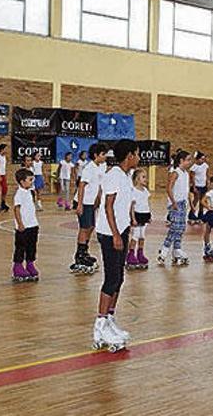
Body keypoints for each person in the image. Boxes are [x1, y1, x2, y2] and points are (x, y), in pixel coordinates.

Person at [91, 140, 139, 353]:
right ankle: (99, 325)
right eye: (137, 154)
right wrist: (116, 235)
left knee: (119, 278)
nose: (139, 158)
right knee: (111, 279)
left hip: (122, 230)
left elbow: (123, 204)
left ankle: (110, 319)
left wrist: (129, 221)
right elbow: (107, 206)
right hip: (110, 234)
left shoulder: (126, 176)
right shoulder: (113, 176)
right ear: (129, 155)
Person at [71, 143, 107, 274]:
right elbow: (81, 186)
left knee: (91, 226)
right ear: (96, 155)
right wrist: (80, 204)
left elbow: (99, 185)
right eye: (103, 154)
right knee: (84, 227)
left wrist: (98, 200)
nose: (105, 156)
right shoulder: (89, 168)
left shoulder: (102, 167)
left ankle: (85, 250)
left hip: (92, 203)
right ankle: (79, 255)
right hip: (84, 202)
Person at [159, 150, 193, 266]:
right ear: (181, 161)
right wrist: (173, 202)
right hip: (176, 203)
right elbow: (168, 188)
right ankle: (164, 250)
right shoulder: (175, 172)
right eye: (188, 160)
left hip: (183, 203)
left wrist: (191, 204)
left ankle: (177, 250)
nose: (190, 162)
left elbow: (187, 191)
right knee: (175, 227)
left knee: (181, 228)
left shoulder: (186, 174)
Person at [12, 168, 40, 282]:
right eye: (30, 180)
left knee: (31, 246)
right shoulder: (19, 194)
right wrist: (20, 224)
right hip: (24, 226)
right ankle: (17, 267)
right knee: (21, 247)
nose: (32, 182)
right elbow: (16, 209)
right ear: (22, 182)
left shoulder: (29, 192)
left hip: (33, 224)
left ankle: (30, 264)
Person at [126, 168, 151, 270]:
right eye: (143, 177)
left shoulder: (145, 191)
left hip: (145, 215)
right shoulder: (133, 191)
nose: (146, 179)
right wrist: (133, 218)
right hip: (137, 215)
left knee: (142, 236)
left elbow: (147, 203)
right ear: (136, 179)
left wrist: (149, 215)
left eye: (146, 177)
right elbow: (131, 206)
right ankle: (131, 254)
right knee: (135, 236)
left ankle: (140, 253)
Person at [188, 151, 209, 224]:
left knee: (202, 201)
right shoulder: (194, 167)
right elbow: (192, 178)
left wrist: (207, 184)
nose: (203, 160)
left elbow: (206, 175)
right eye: (201, 159)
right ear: (197, 159)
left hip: (203, 185)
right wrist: (194, 187)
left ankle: (201, 214)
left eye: (204, 159)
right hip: (197, 186)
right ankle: (191, 214)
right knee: (196, 200)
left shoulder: (205, 165)